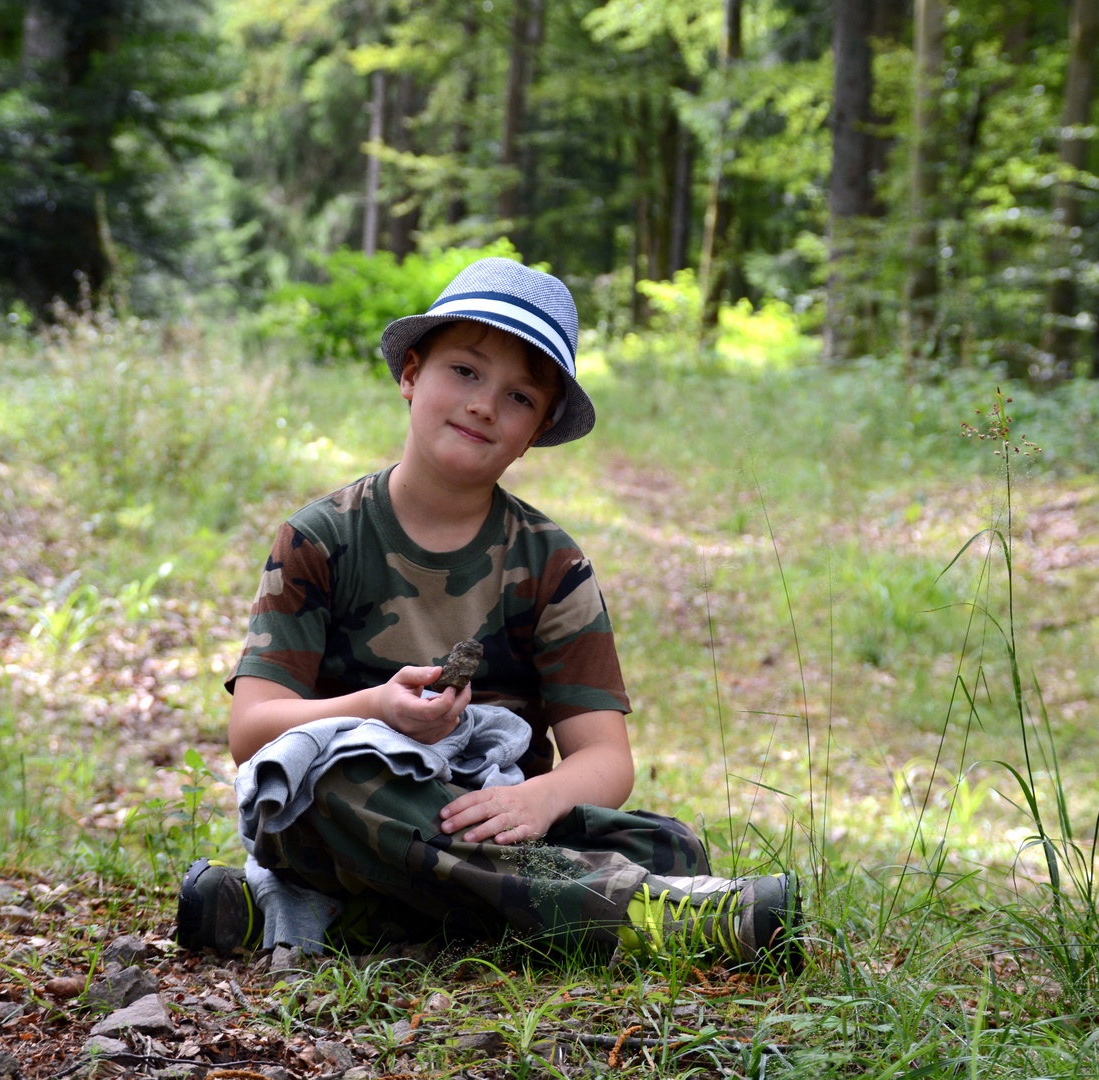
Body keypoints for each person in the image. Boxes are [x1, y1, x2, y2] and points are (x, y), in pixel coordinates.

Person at [175, 257, 802, 967]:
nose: (483, 406)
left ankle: (310, 914)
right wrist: (376, 710)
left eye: (519, 398)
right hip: (357, 805)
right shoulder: (320, 538)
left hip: (500, 817)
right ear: (411, 373)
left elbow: (604, 756)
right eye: (465, 372)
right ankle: (639, 913)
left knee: (669, 843)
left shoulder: (550, 563)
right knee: (332, 783)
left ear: (536, 430)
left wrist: (540, 800)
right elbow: (252, 733)